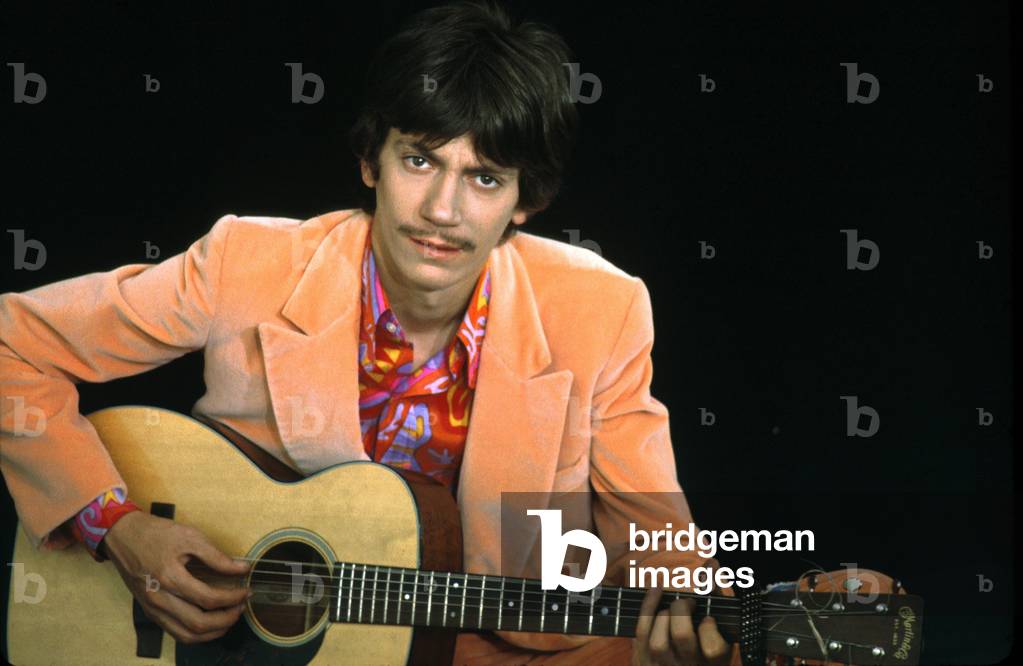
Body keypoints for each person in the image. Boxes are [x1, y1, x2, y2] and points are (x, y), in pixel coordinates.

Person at [0, 1, 736, 664]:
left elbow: (658, 542)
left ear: (525, 201)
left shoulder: (599, 310)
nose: (443, 210)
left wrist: (696, 624)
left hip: (501, 646)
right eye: (419, 159)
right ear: (369, 160)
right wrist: (115, 526)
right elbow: (11, 342)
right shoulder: (247, 264)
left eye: (484, 178)